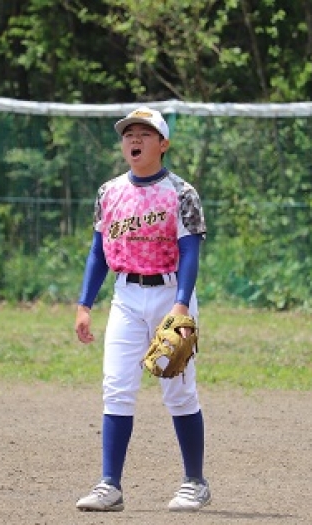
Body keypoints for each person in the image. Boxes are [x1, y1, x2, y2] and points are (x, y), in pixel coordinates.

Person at [73, 107, 210, 513]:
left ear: (163, 144)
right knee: (116, 386)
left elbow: (190, 253)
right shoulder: (109, 192)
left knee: (179, 391)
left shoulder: (181, 193)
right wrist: (84, 304)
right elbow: (98, 252)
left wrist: (181, 306)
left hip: (171, 295)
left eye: (145, 134)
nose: (135, 139)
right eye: (129, 133)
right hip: (126, 297)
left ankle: (195, 482)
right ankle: (109, 485)